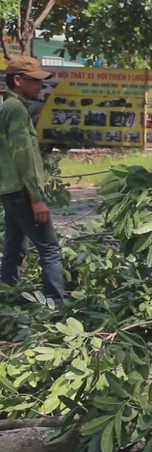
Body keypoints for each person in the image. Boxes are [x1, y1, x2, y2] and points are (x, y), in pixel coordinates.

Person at [0, 56, 64, 302]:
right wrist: (36, 198)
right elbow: (22, 155)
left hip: (10, 190)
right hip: (23, 191)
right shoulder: (16, 110)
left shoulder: (8, 107)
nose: (40, 86)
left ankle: (7, 303)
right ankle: (56, 308)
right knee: (50, 250)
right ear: (18, 80)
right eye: (35, 81)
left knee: (14, 250)